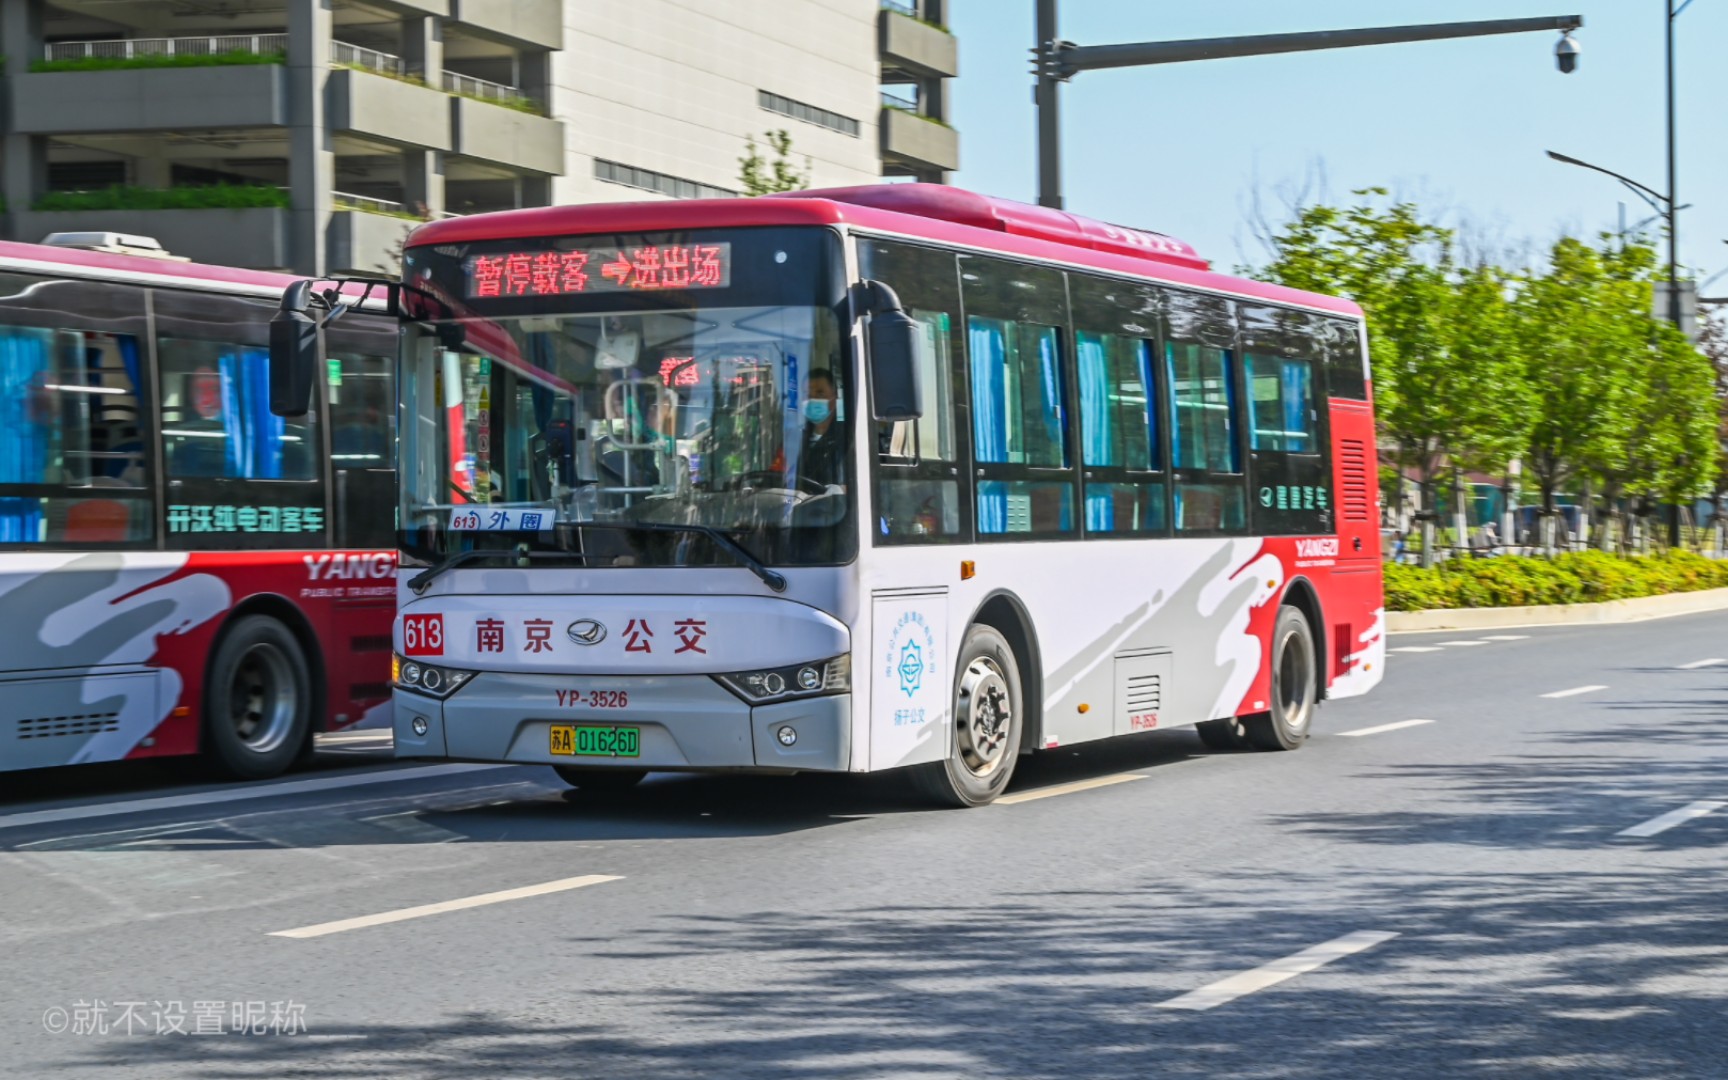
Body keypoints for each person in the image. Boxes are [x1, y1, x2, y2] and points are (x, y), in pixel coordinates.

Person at [798, 369, 845, 489]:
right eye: (807, 395)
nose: (812, 400)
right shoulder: (795, 438)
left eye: (820, 394)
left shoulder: (847, 438)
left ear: (834, 398)